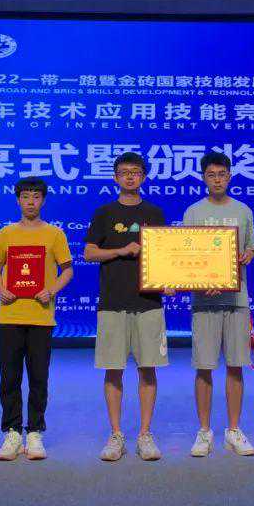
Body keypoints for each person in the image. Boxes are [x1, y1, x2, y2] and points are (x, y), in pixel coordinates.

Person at [83, 152, 167, 461]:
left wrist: (168, 280)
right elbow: (90, 253)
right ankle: (116, 434)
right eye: (124, 172)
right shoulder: (104, 213)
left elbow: (164, 256)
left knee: (148, 369)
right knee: (113, 370)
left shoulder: (155, 213)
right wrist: (121, 250)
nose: (130, 176)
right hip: (113, 302)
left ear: (143, 176)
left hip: (149, 303)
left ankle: (145, 434)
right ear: (115, 177)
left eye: (135, 171)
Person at [0, 177, 74, 461]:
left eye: (36, 196)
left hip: (41, 316)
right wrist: (1, 289)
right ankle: (12, 433)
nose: (31, 202)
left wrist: (51, 290)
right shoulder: (6, 233)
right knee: (9, 377)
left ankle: (35, 432)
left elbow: (67, 270)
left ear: (43, 200)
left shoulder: (54, 234)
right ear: (18, 200)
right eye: (25, 196)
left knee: (39, 377)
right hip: (9, 315)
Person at [182, 151, 254, 457]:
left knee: (236, 366)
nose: (217, 180)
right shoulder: (193, 212)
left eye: (222, 174)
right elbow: (185, 255)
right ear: (204, 178)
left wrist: (248, 255)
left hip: (236, 299)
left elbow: (250, 247)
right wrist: (202, 279)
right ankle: (204, 431)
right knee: (204, 367)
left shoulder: (243, 210)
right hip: (204, 300)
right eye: (211, 175)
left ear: (229, 176)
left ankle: (233, 430)